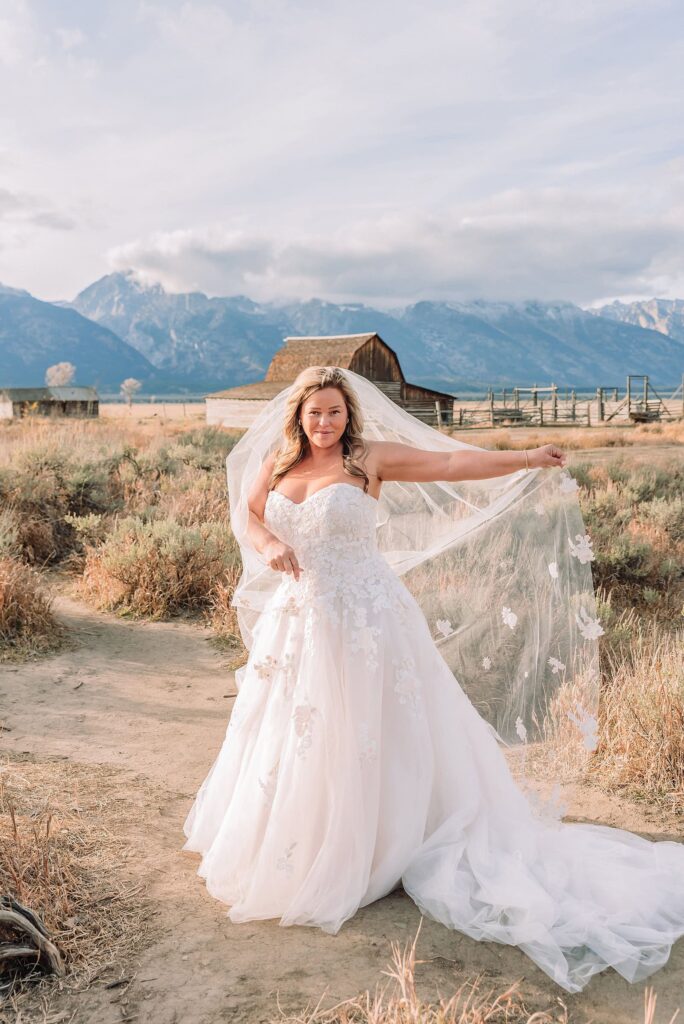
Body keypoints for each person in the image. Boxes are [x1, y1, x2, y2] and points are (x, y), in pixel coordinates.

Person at [182, 364, 684, 994]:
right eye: (315, 413)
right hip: (299, 622)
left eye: (335, 411)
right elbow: (247, 515)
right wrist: (266, 546)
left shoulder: (370, 461)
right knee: (301, 731)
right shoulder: (280, 467)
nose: (325, 422)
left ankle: (385, 841)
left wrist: (526, 455)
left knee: (374, 727)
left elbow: (451, 467)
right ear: (298, 417)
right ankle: (305, 840)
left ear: (349, 415)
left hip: (367, 618)